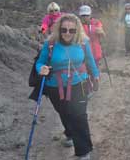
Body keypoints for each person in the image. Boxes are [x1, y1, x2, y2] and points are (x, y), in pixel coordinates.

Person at [36, 14, 99, 160]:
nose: (67, 33)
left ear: (77, 30)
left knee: (79, 115)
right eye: (64, 30)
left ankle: (84, 151)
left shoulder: (83, 42)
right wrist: (41, 68)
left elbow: (89, 60)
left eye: (72, 30)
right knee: (63, 112)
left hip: (79, 83)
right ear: (59, 29)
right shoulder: (50, 43)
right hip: (54, 85)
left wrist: (95, 74)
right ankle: (70, 133)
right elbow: (40, 62)